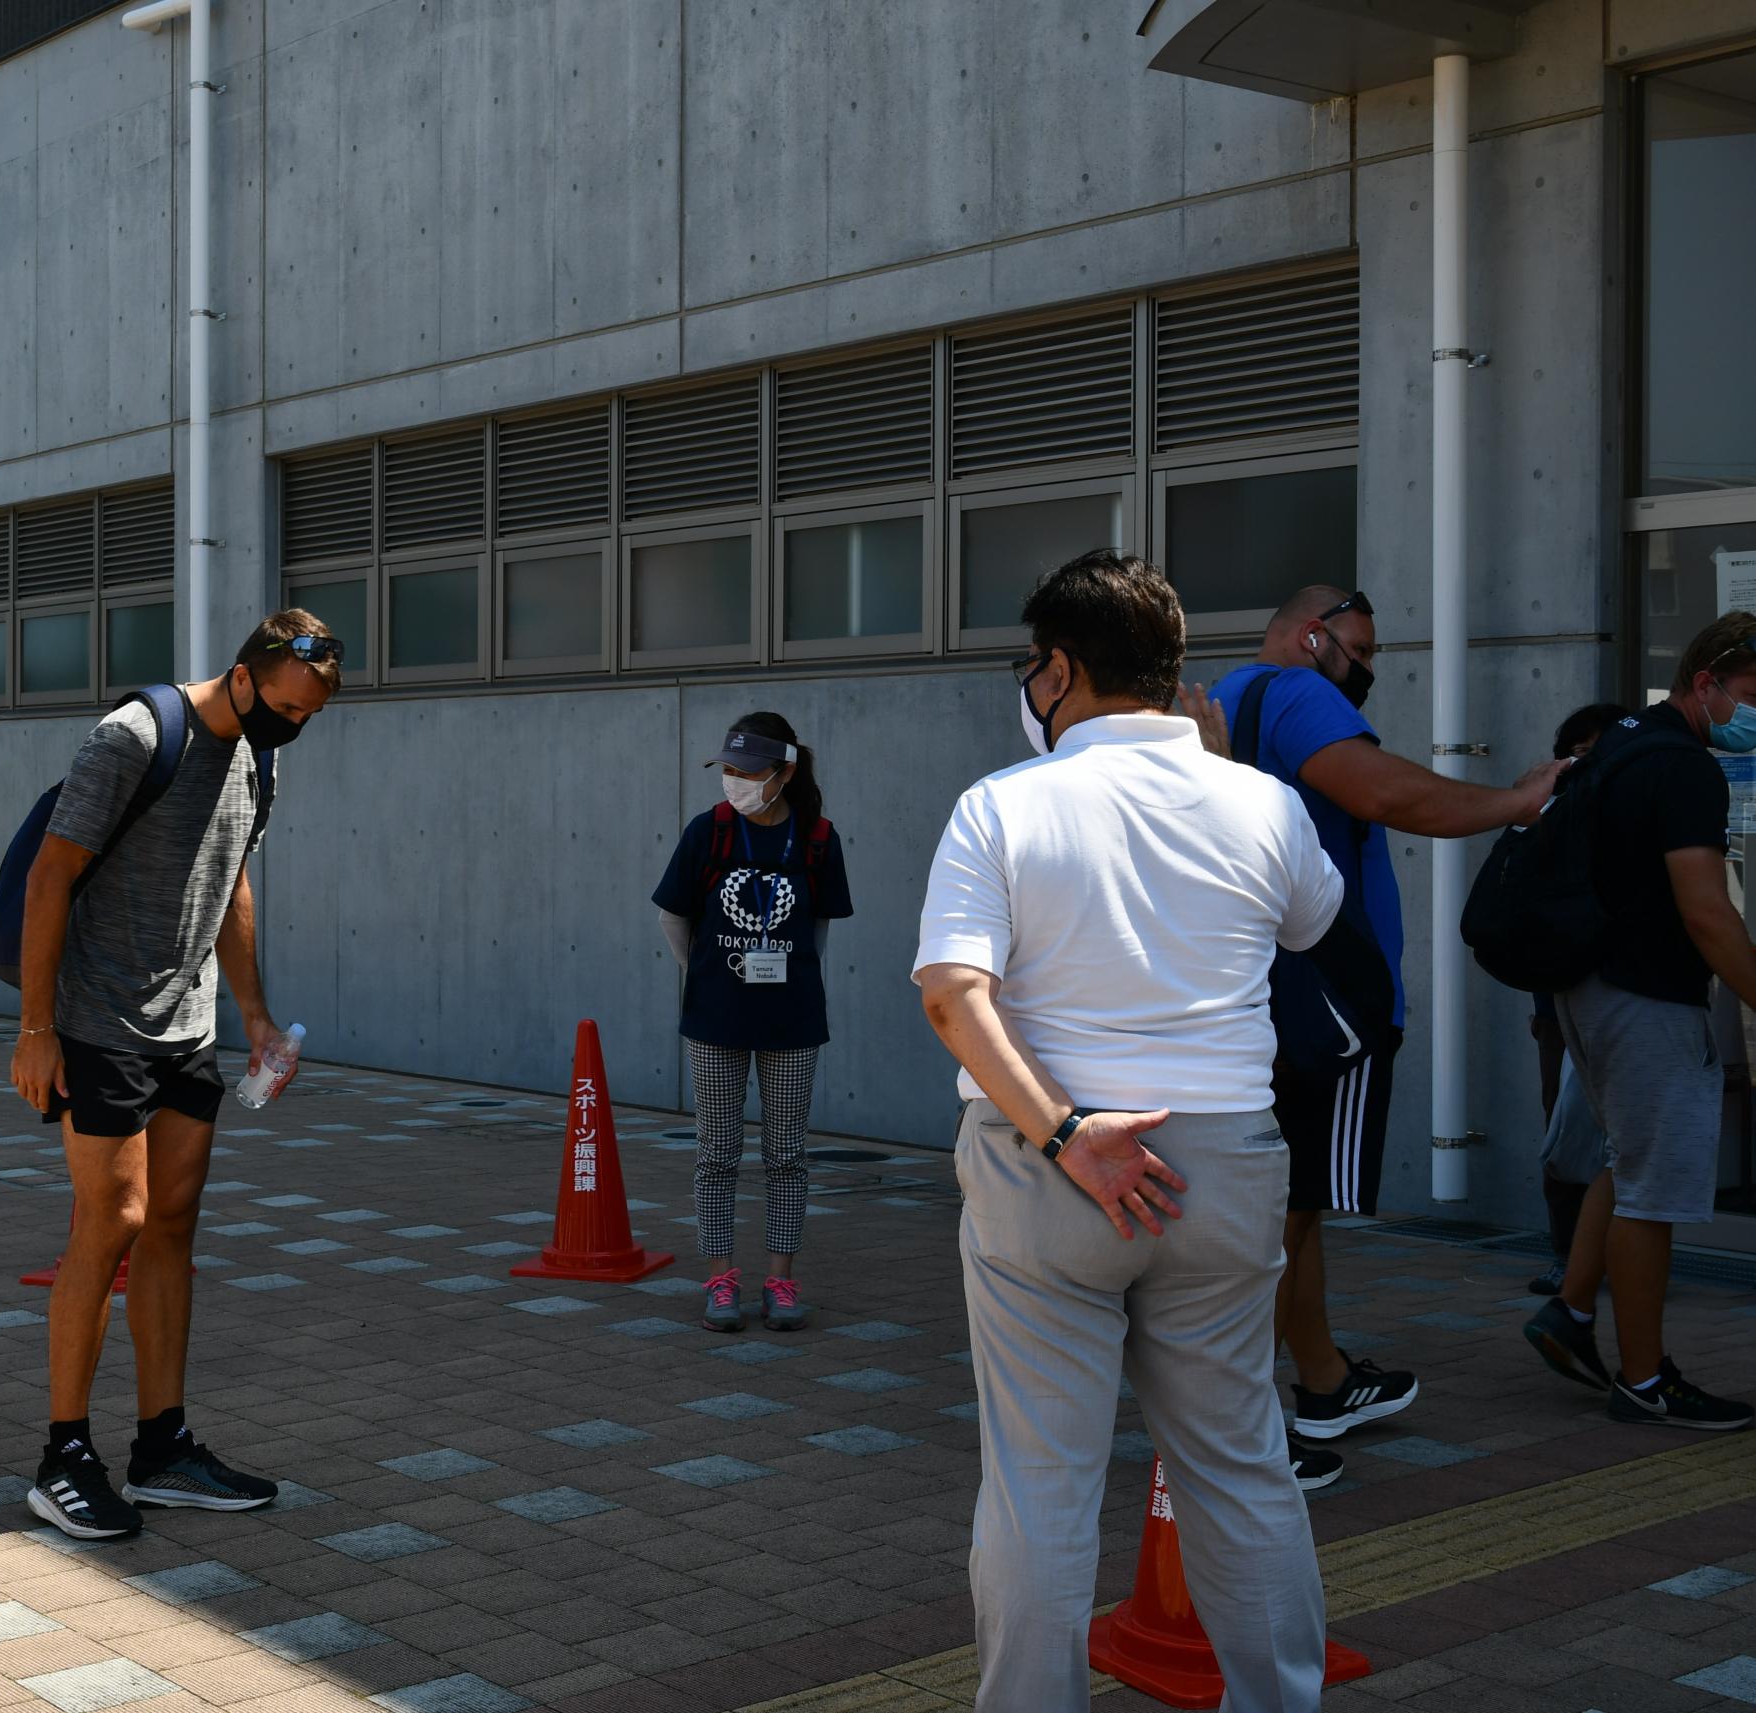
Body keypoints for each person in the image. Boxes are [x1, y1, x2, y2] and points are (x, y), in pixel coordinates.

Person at [916, 550, 1345, 1712]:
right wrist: (1224, 773)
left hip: (1047, 1165)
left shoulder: (1000, 803)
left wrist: (1064, 1135)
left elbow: (953, 994)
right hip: (1223, 1161)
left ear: (1057, 670)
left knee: (1039, 1484)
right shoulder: (1259, 799)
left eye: (1029, 664)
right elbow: (1312, 921)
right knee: (1238, 1466)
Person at [1206, 587, 1559, 1487]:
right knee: (1276, 1214)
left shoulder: (1223, 698)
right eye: (1360, 650)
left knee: (1291, 1202)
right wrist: (1515, 801)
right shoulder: (1296, 691)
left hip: (1259, 990)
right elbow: (1390, 792)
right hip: (1322, 992)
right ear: (1314, 637)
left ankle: (1321, 1378)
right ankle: (1245, 1424)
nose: (1368, 669)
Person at [11, 610, 340, 1540]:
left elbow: (230, 881)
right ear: (243, 676)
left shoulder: (261, 758)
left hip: (185, 1026)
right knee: (109, 1219)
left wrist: (258, 1017)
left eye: (307, 716)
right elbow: (48, 877)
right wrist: (36, 1029)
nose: (292, 726)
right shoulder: (136, 737)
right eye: (282, 707)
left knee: (172, 1225)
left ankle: (162, 1446)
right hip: (96, 1018)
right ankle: (63, 1456)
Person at [1524, 615, 1756, 1431]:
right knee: (1652, 1193)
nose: (1753, 715)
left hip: (1587, 988)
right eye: (1753, 697)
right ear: (1708, 683)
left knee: (1629, 1159)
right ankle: (1647, 1379)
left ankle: (1573, 1310)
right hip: (1648, 996)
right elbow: (1707, 914)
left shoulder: (1620, 742)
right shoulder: (1688, 770)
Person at [651, 713, 852, 1333]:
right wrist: (711, 973)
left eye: (749, 771)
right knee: (717, 1154)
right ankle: (720, 1280)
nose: (735, 781)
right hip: (715, 1019)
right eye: (729, 769)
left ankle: (781, 1281)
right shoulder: (707, 832)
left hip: (792, 1020)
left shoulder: (817, 837)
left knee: (787, 1155)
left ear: (785, 772)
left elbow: (817, 933)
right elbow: (673, 920)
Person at [1524, 702, 1627, 1296]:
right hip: (1558, 1001)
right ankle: (1567, 1254)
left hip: (1627, 995)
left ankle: (1616, 1255)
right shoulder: (1550, 813)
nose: (1585, 764)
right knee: (1563, 1133)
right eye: (1576, 752)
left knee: (1625, 1135)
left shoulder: (1638, 809)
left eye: (1597, 751)